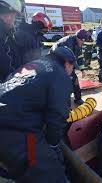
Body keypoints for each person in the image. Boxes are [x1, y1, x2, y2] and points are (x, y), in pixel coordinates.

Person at [0, 46, 76, 182]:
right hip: (19, 132)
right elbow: (58, 115)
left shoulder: (32, 65)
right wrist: (53, 144)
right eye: (72, 67)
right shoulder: (59, 74)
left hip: (9, 120)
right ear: (67, 63)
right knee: (49, 172)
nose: (72, 72)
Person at [51, 29, 90, 105]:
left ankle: (78, 99)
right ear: (78, 38)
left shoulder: (78, 43)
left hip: (66, 62)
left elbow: (80, 57)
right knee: (64, 81)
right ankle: (64, 103)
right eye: (82, 41)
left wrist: (82, 69)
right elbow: (70, 60)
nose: (83, 43)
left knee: (74, 79)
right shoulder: (68, 43)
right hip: (57, 60)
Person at [0, 0, 23, 82]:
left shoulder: (6, 33)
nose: (15, 20)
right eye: (15, 16)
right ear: (7, 15)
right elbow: (5, 66)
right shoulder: (2, 34)